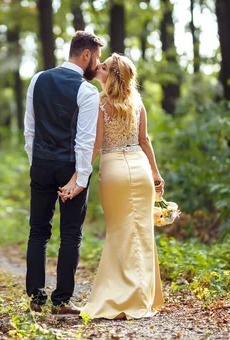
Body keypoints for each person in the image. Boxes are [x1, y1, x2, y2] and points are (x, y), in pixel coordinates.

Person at [59, 53, 165, 319]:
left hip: (115, 171)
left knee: (119, 233)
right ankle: (142, 296)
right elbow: (145, 140)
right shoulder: (138, 103)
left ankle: (120, 295)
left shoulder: (99, 103)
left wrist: (77, 178)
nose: (98, 67)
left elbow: (95, 146)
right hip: (140, 171)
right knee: (141, 233)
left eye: (103, 67)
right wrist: (155, 174)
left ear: (111, 75)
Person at [23, 31, 104, 315]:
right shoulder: (87, 91)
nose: (98, 63)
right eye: (97, 58)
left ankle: (35, 297)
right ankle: (60, 301)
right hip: (70, 168)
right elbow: (84, 142)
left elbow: (29, 130)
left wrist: (37, 163)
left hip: (41, 165)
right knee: (70, 235)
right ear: (86, 55)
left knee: (38, 231)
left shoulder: (38, 79)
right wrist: (80, 179)